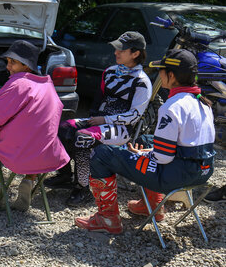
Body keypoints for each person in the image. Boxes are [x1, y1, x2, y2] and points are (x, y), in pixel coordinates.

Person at [76, 49, 215, 234]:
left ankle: (107, 219)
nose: (159, 75)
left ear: (171, 75)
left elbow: (163, 157)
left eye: (162, 71)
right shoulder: (202, 103)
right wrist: (146, 149)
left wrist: (141, 153)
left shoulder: (172, 106)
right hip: (203, 172)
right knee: (144, 139)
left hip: (174, 175)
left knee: (103, 154)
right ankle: (151, 204)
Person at [47, 31, 152, 207]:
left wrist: (105, 121)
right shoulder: (110, 72)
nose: (116, 52)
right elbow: (97, 101)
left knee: (83, 137)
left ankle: (83, 188)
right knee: (62, 128)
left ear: (135, 53)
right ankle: (65, 175)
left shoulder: (142, 81)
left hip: (122, 128)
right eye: (116, 48)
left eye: (121, 49)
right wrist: (92, 119)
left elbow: (135, 116)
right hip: (99, 122)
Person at [0, 40, 69, 211]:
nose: (8, 67)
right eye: (8, 61)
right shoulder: (48, 85)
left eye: (13, 62)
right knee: (39, 135)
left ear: (27, 66)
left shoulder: (18, 83)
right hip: (46, 154)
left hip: (20, 153)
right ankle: (29, 180)